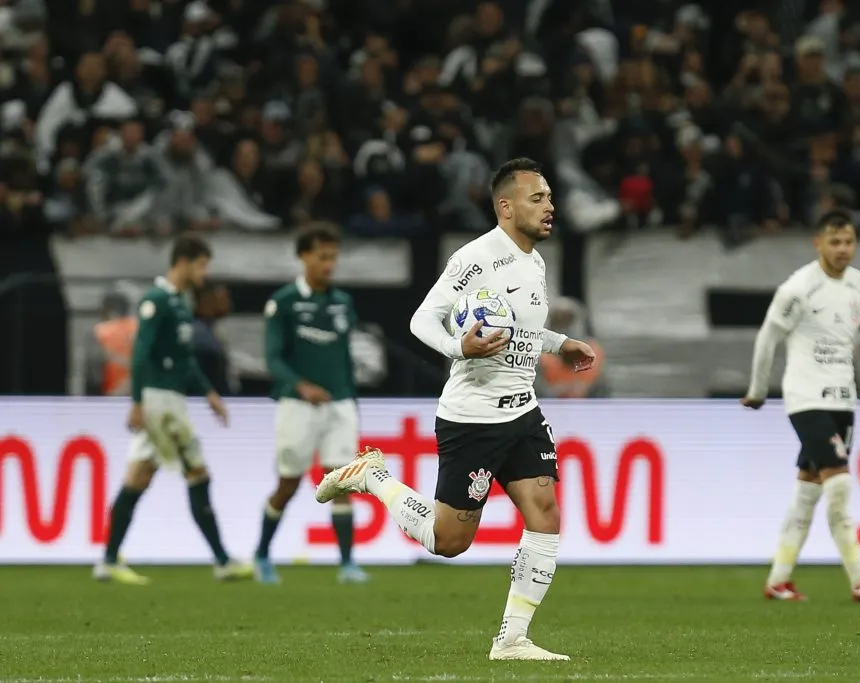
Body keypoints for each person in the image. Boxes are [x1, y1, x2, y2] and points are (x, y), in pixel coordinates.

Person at [314, 158, 595, 661]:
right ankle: (372, 475)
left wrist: (560, 343)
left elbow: (520, 332)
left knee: (545, 514)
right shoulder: (475, 258)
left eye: (550, 197)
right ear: (505, 207)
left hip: (522, 410)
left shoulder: (535, 261)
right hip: (474, 418)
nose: (551, 207)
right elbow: (422, 320)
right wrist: (459, 349)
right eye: (538, 198)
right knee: (449, 541)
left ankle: (512, 640)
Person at [741, 210, 860, 602]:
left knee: (808, 491)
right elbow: (767, 339)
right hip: (805, 398)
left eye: (849, 242)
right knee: (839, 483)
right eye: (835, 242)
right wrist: (757, 390)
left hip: (844, 398)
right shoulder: (798, 289)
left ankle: (778, 580)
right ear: (817, 243)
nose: (843, 249)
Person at [93, 235, 252, 585]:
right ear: (184, 261)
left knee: (139, 476)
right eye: (202, 265)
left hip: (172, 398)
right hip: (159, 402)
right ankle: (222, 560)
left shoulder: (180, 303)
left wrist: (208, 392)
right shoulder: (156, 301)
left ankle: (107, 560)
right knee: (197, 473)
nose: (204, 274)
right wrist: (137, 402)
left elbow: (184, 359)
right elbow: (141, 353)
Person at [254, 223, 369, 585]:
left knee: (343, 482)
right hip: (297, 405)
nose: (329, 265)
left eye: (333, 257)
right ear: (303, 256)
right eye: (322, 257)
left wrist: (348, 394)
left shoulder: (342, 302)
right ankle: (261, 556)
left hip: (339, 403)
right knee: (288, 483)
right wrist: (301, 386)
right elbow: (272, 359)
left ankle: (348, 564)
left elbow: (345, 356)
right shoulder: (284, 301)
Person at [84, 289, 136, 396]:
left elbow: (94, 375)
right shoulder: (138, 328)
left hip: (110, 397)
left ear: (107, 309)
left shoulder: (100, 331)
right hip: (136, 397)